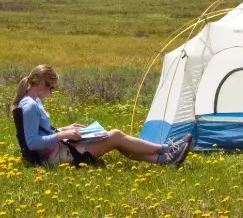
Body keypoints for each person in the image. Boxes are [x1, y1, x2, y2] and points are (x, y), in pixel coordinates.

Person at [13, 65, 192, 168]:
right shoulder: (30, 106)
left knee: (116, 139)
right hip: (58, 156)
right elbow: (33, 142)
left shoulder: (33, 101)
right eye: (51, 88)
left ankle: (165, 158)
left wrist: (65, 129)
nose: (51, 93)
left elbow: (41, 131)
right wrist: (62, 135)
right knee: (115, 136)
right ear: (43, 83)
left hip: (61, 148)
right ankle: (166, 150)